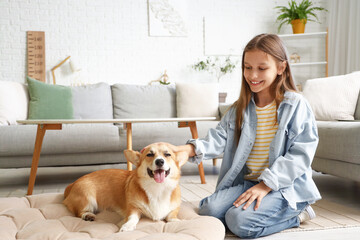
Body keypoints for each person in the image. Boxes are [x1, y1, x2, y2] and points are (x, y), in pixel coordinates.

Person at [167, 33, 321, 238]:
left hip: (284, 186)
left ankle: (298, 214)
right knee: (209, 210)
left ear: (281, 68)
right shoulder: (240, 109)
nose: (253, 75)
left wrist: (266, 185)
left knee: (239, 222)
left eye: (262, 68)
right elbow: (219, 137)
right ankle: (260, 207)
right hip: (249, 183)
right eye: (248, 67)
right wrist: (190, 149)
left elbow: (300, 155)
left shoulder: (296, 105)